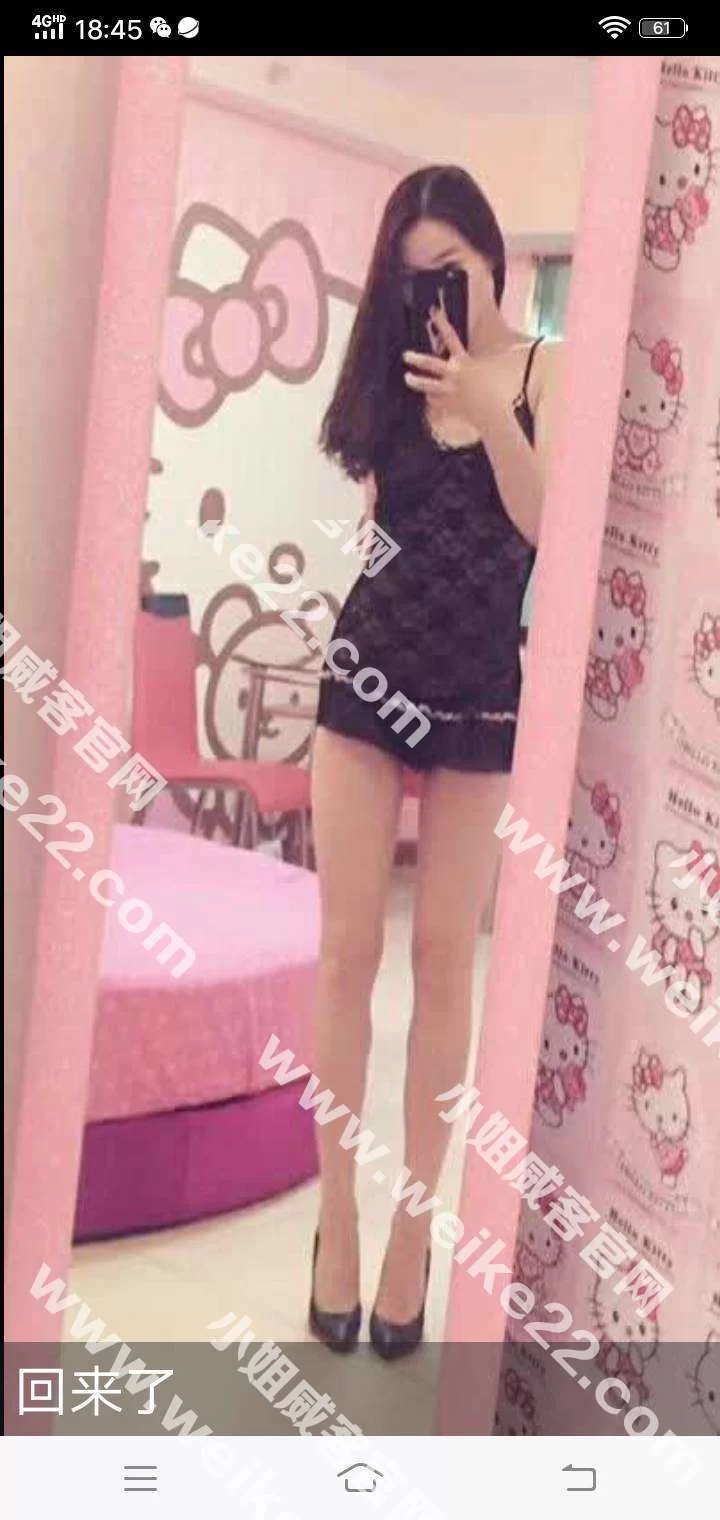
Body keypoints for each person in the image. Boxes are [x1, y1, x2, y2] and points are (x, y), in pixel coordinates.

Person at [309, 164, 560, 1357]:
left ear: (492, 258)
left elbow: (547, 526)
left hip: (481, 694)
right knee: (348, 952)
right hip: (368, 674)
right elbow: (378, 523)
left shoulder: (544, 371)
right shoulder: (391, 372)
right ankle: (339, 1224)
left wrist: (486, 401)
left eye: (450, 270)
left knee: (446, 958)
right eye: (411, 278)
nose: (434, 295)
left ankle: (414, 1232)